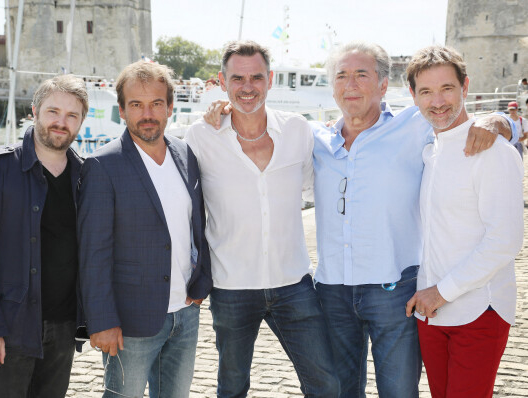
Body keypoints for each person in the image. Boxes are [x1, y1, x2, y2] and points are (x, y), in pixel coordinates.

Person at [202, 41, 515, 398]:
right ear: (332, 86)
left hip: (394, 290)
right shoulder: (314, 137)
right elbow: (257, 122)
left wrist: (500, 120)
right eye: (342, 76)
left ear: (383, 85)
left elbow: (456, 119)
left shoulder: (413, 125)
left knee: (398, 391)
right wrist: (223, 109)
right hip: (333, 291)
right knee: (342, 390)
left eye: (361, 75)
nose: (351, 84)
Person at [185, 40, 339, 398]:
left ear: (270, 79)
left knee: (325, 384)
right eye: (237, 78)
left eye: (256, 77)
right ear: (223, 82)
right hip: (231, 286)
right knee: (232, 387)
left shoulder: (298, 130)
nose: (247, 87)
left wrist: (500, 119)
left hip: (294, 283)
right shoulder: (200, 136)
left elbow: (318, 174)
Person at [77, 60, 212, 398]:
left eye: (156, 103)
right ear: (122, 110)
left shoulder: (185, 154)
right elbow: (94, 252)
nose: (147, 113)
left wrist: (201, 282)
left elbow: (198, 225)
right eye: (136, 104)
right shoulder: (102, 166)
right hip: (130, 321)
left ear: (169, 107)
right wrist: (102, 321)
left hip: (185, 312)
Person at [0, 74, 88, 397]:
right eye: (53, 112)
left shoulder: (85, 175)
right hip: (9, 326)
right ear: (34, 112)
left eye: (72, 115)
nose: (61, 122)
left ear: (81, 122)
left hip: (63, 328)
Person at [405, 45, 523, 398]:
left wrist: (441, 292)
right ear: (413, 96)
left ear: (466, 87)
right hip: (432, 313)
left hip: (478, 310)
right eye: (426, 91)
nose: (437, 101)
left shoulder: (492, 152)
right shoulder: (429, 149)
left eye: (447, 89)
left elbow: (505, 240)